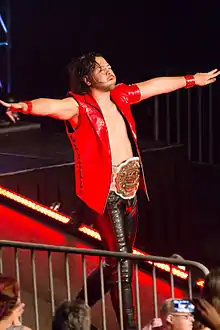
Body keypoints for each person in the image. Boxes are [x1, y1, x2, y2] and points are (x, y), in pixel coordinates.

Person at [0, 53, 219, 330]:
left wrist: (192, 80)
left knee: (113, 262)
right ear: (87, 78)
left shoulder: (122, 96)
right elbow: (51, 106)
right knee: (124, 264)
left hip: (130, 191)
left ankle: (77, 306)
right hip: (107, 196)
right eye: (100, 68)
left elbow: (155, 85)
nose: (109, 70)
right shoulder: (78, 107)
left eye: (109, 66)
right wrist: (25, 106)